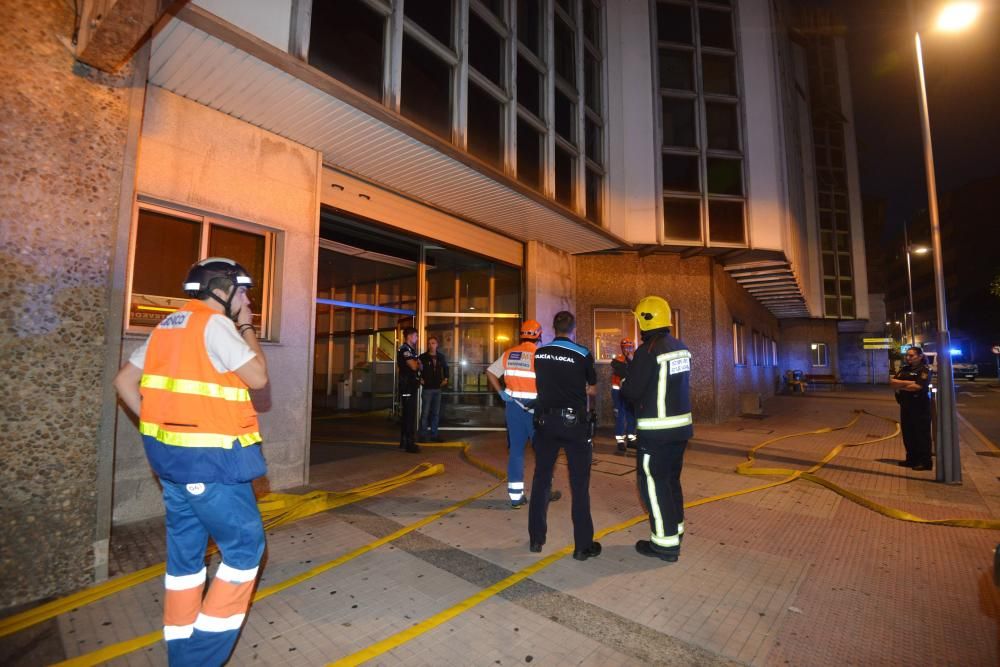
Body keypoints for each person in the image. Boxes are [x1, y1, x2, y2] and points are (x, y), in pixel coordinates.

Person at [112, 257, 269, 666]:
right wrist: (248, 326)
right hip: (212, 466)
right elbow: (258, 377)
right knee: (245, 550)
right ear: (222, 289)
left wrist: (158, 428)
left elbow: (124, 382)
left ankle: (180, 654)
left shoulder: (169, 324)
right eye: (243, 291)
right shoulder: (214, 324)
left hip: (173, 467)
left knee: (185, 561)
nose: (247, 299)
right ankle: (197, 661)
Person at [620, 295, 692, 563]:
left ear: (643, 320)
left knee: (653, 484)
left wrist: (626, 374)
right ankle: (676, 530)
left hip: (656, 433)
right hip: (680, 430)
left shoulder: (648, 351)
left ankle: (665, 544)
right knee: (671, 481)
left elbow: (632, 391)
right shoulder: (680, 347)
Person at [527, 311, 600, 561]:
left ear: (553, 327)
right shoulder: (582, 353)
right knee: (579, 485)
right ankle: (583, 546)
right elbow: (592, 388)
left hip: (546, 422)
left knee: (541, 479)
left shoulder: (540, 353)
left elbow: (543, 383)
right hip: (574, 425)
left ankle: (536, 539)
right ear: (573, 329)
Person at [486, 320, 561, 508]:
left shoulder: (509, 354)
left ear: (522, 334)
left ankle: (515, 497)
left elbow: (490, 372)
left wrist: (501, 393)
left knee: (516, 452)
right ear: (539, 335)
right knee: (544, 452)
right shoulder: (541, 355)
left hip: (514, 409)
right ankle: (544, 491)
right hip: (537, 411)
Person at [890, 346, 933, 471]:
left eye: (911, 355)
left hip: (920, 407)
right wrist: (909, 383)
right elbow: (892, 382)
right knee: (908, 434)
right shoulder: (904, 369)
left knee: (921, 434)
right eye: (907, 355)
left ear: (920, 356)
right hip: (905, 405)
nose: (908, 358)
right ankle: (911, 459)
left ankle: (925, 462)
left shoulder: (924, 369)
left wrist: (901, 384)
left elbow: (918, 386)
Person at [418, 336, 449, 442]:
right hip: (427, 389)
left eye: (433, 343)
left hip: (438, 388)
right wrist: (420, 379)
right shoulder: (422, 357)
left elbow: (446, 368)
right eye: (429, 343)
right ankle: (422, 435)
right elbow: (416, 369)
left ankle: (434, 435)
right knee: (425, 413)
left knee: (436, 413)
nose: (431, 345)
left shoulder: (441, 357)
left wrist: (446, 378)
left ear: (437, 344)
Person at [610, 337, 638, 452]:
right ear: (622, 348)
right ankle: (620, 441)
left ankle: (631, 438)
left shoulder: (636, 359)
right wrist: (630, 360)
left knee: (631, 413)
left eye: (630, 347)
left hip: (630, 391)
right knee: (620, 415)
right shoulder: (618, 360)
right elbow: (621, 370)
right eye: (626, 347)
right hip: (618, 391)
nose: (628, 349)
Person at [397, 326, 422, 453]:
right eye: (416, 336)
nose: (417, 338)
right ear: (410, 336)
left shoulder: (411, 350)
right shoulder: (405, 349)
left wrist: (417, 363)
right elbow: (413, 366)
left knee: (409, 414)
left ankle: (404, 441)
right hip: (406, 385)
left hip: (411, 384)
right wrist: (417, 363)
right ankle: (409, 443)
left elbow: (418, 365)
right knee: (408, 414)